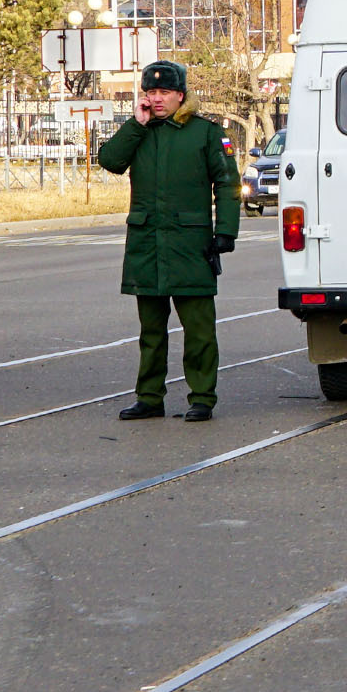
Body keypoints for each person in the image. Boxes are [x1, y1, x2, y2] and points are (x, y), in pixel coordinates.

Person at [98, 60, 239, 423]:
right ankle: (149, 397)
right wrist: (136, 123)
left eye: (164, 93)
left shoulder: (206, 133)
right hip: (148, 245)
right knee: (151, 331)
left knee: (199, 329)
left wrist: (225, 231)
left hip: (190, 245)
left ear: (181, 95)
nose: (157, 99)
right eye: (151, 92)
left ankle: (202, 397)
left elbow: (227, 184)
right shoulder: (139, 130)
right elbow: (110, 161)